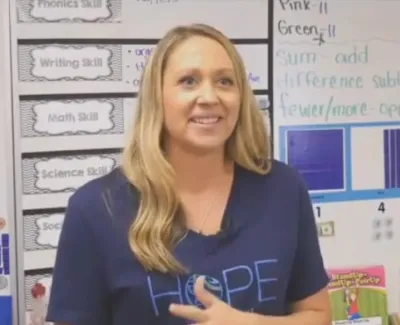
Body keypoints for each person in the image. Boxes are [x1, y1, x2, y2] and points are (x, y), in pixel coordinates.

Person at [46, 23, 332, 325]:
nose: (209, 96)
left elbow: (317, 315)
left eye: (224, 81)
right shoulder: (95, 209)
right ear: (158, 97)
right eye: (189, 81)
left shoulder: (283, 189)